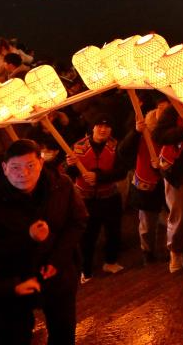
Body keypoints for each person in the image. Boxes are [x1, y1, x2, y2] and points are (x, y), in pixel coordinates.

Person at [0, 138, 88, 345]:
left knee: (63, 332)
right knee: (16, 335)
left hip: (57, 273)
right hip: (14, 281)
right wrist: (27, 238)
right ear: (4, 168)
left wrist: (57, 261)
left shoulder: (61, 185)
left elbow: (77, 222)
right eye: (15, 167)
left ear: (41, 163)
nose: (23, 173)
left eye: (30, 165)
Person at [67, 116, 127, 281]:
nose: (103, 129)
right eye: (99, 126)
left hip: (110, 197)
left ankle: (111, 262)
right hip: (85, 200)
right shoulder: (78, 147)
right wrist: (70, 165)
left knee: (113, 232)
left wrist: (98, 177)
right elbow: (69, 174)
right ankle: (85, 270)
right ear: (92, 128)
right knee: (87, 236)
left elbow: (121, 172)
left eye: (107, 127)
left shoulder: (116, 146)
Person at [152, 100, 183, 273]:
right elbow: (158, 135)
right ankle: (176, 251)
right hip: (181, 172)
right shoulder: (175, 109)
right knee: (182, 216)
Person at [118, 101, 166, 263]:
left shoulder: (171, 136)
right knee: (148, 223)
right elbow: (123, 151)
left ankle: (172, 249)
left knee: (170, 219)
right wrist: (136, 132)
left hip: (167, 183)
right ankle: (148, 251)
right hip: (147, 184)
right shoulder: (142, 136)